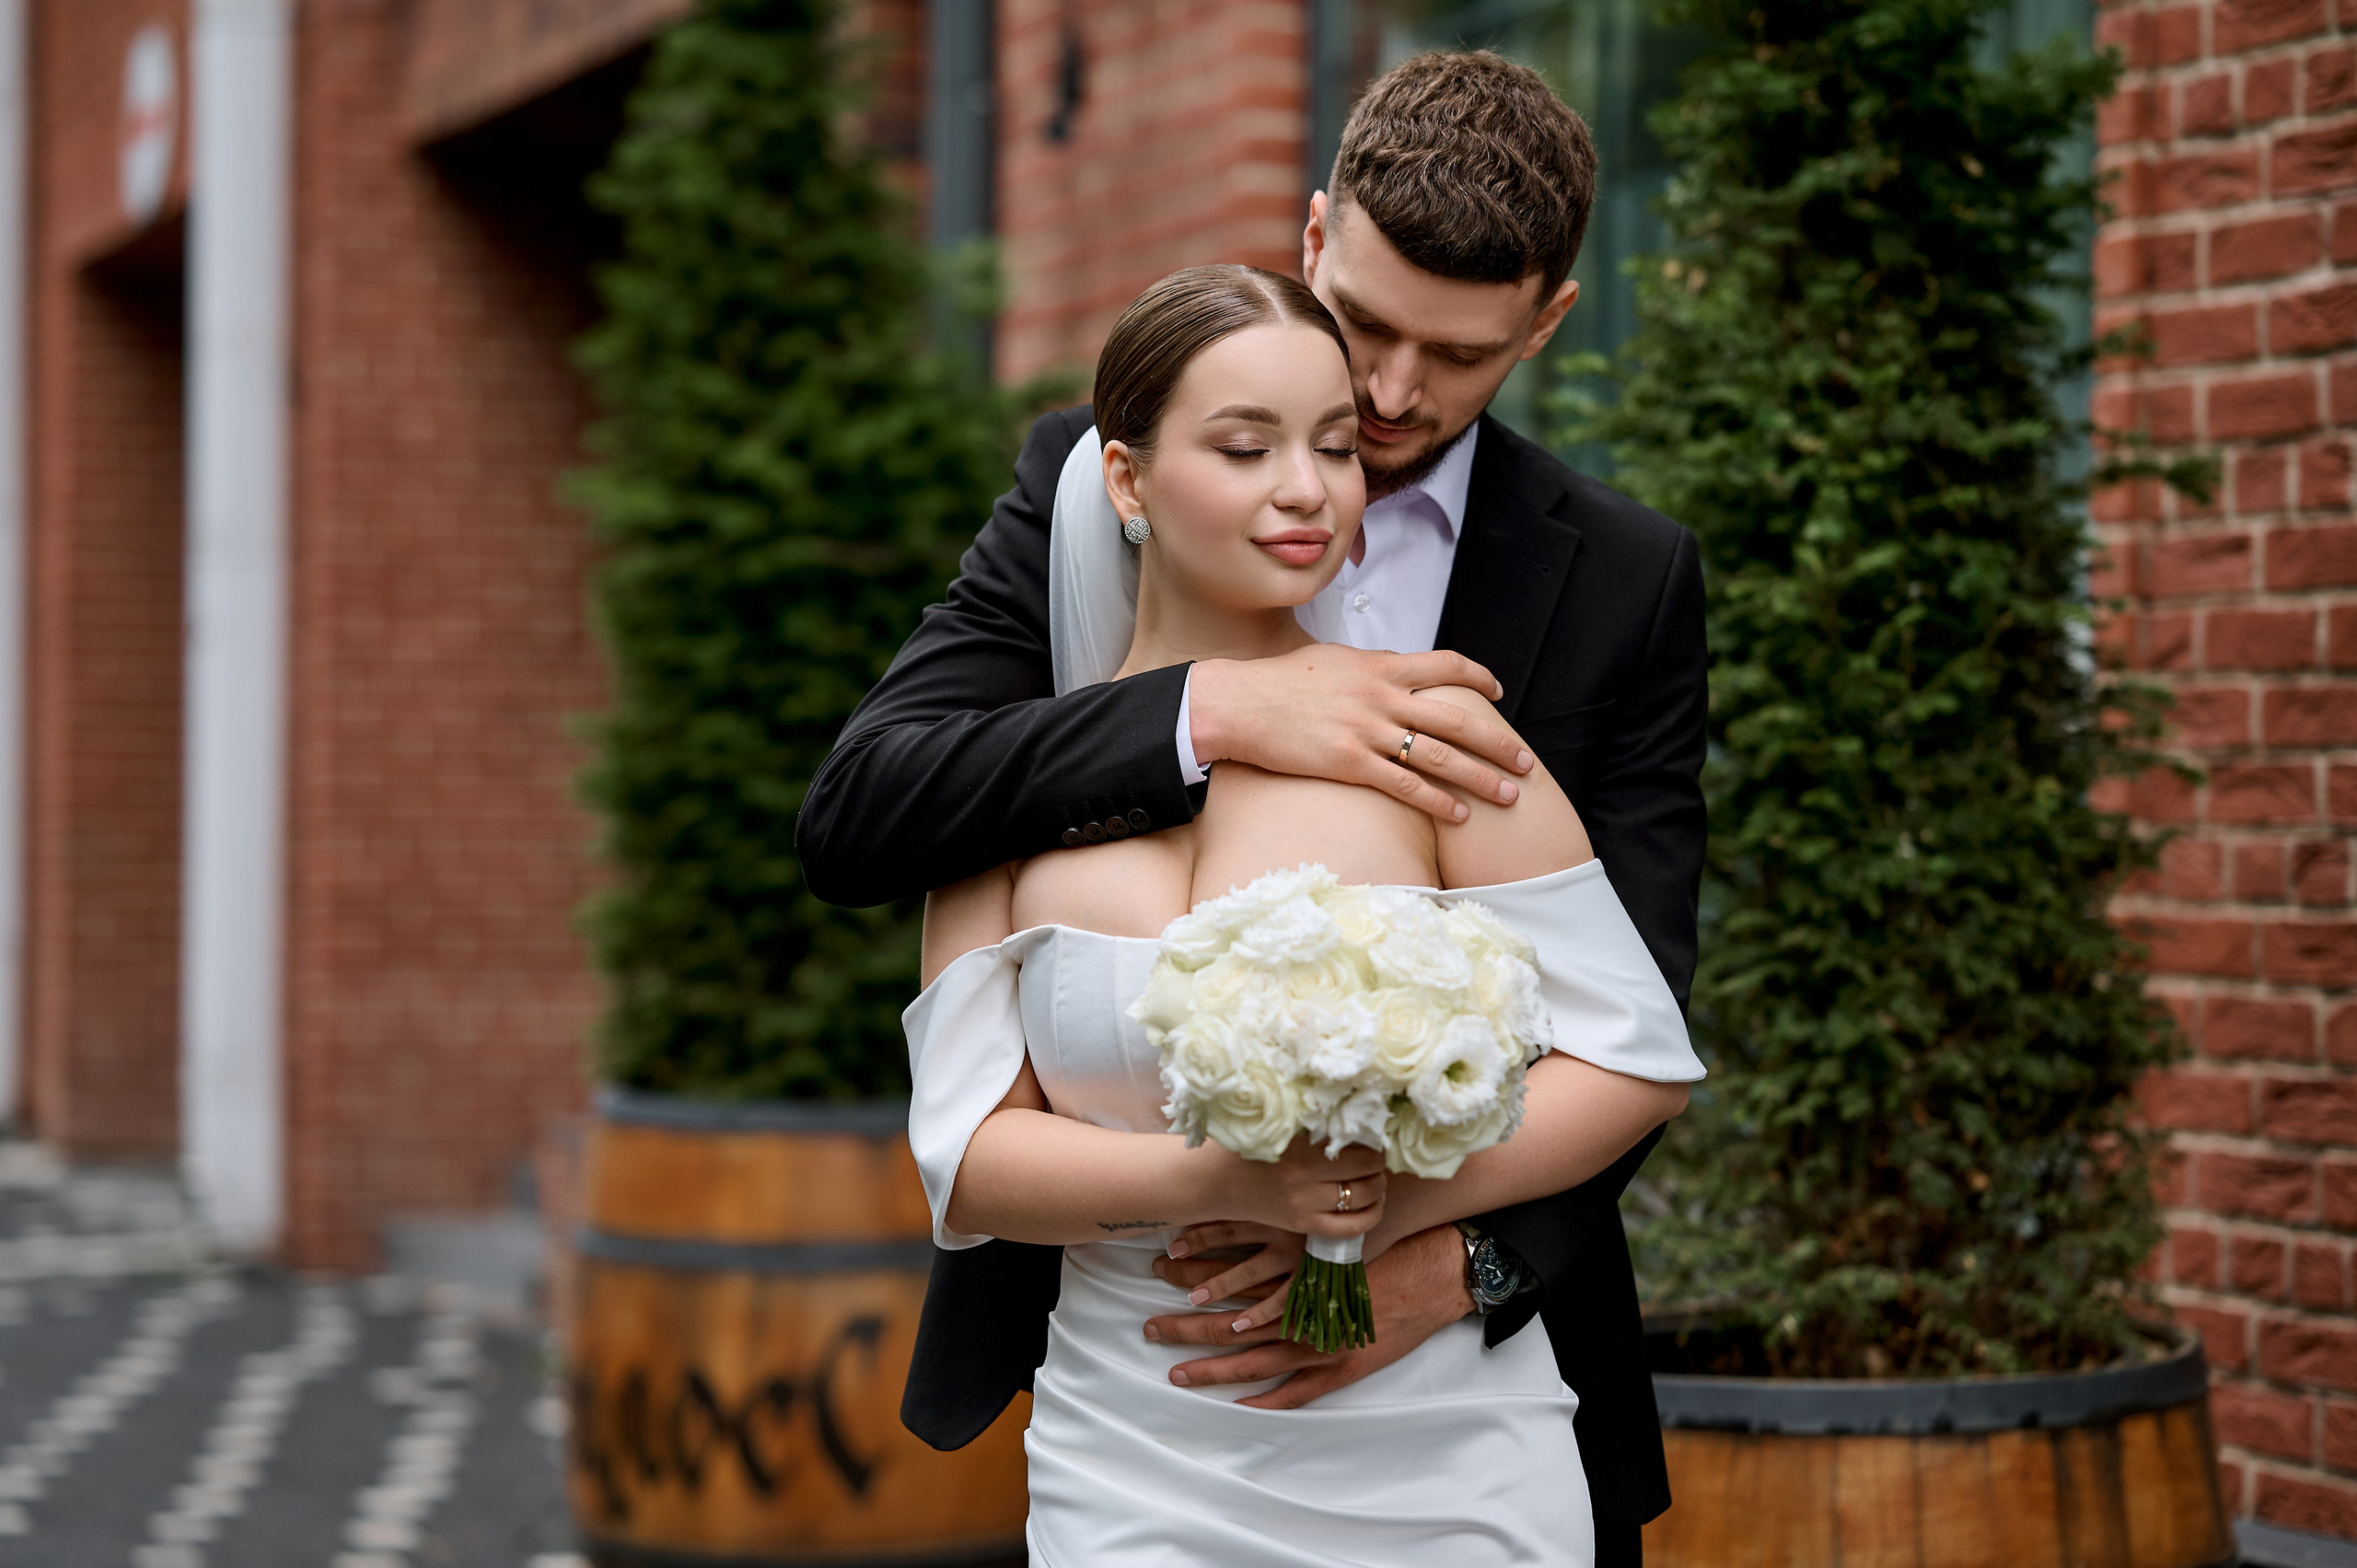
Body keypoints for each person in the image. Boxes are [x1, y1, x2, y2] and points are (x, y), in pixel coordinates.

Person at [796, 51, 1707, 1565]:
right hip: (1140, 1404)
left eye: (1462, 355)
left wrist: (1436, 1266)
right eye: (1366, 328)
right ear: (1310, 241)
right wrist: (1207, 712)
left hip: (1461, 1392)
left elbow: (1637, 1007)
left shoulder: (1624, 583)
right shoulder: (1092, 486)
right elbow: (870, 810)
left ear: (1547, 322)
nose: (1393, 396)